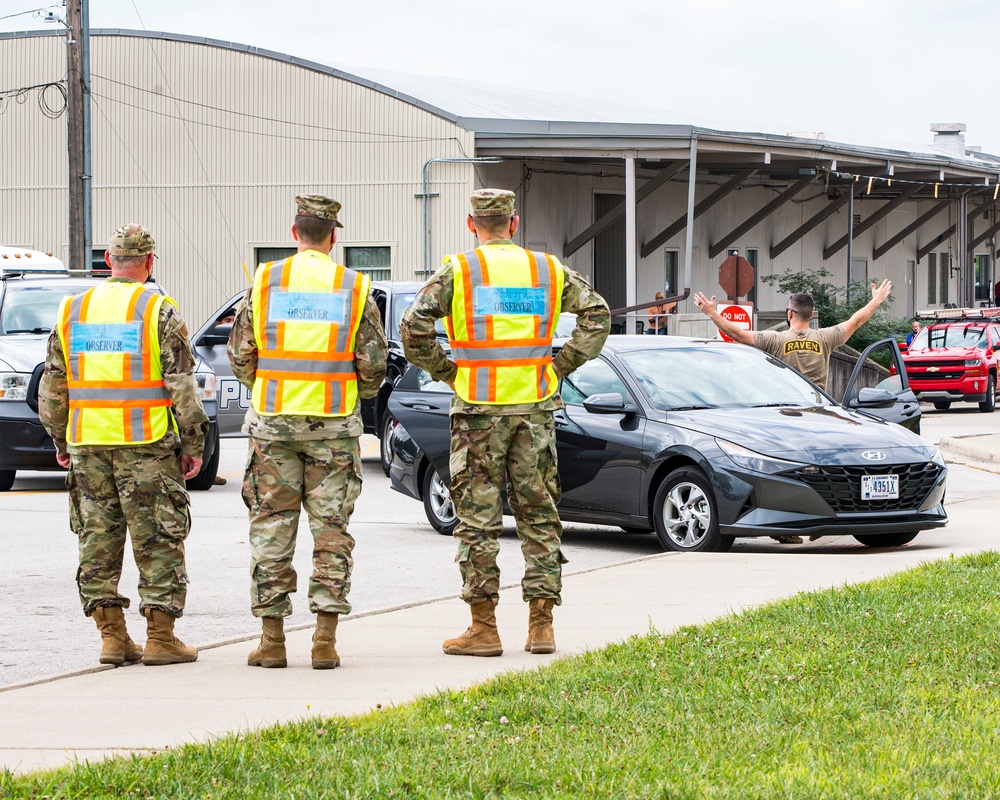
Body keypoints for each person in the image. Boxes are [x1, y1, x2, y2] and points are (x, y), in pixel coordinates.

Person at [401, 188, 610, 658]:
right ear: (514, 224)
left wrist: (446, 370)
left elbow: (413, 327)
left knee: (477, 521)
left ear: (472, 224)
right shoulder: (547, 269)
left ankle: (484, 628)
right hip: (534, 410)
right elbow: (597, 314)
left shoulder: (459, 270)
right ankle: (541, 626)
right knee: (539, 516)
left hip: (477, 410)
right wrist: (561, 365)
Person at [38, 224, 209, 666]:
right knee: (157, 541)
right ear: (150, 262)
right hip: (145, 446)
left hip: (88, 444)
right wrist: (193, 444)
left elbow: (54, 385)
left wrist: (61, 437)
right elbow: (182, 387)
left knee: (97, 541)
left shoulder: (74, 309)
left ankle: (112, 638)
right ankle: (160, 639)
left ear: (108, 261)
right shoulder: (158, 310)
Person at [228, 194, 387, 670]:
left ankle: (272, 641)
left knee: (271, 531)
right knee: (331, 533)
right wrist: (353, 393)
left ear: (293, 233)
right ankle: (324, 639)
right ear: (334, 237)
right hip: (335, 429)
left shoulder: (265, 280)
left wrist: (266, 387)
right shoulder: (354, 286)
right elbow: (374, 363)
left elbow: (240, 354)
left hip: (274, 426)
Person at [693, 279, 892, 544]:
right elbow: (855, 321)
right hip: (820, 414)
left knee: (787, 471)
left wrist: (711, 312)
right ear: (812, 315)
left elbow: (739, 335)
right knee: (825, 467)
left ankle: (786, 524)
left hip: (781, 415)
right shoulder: (825, 337)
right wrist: (876, 300)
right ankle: (823, 517)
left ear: (789, 314)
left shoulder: (776, 339)